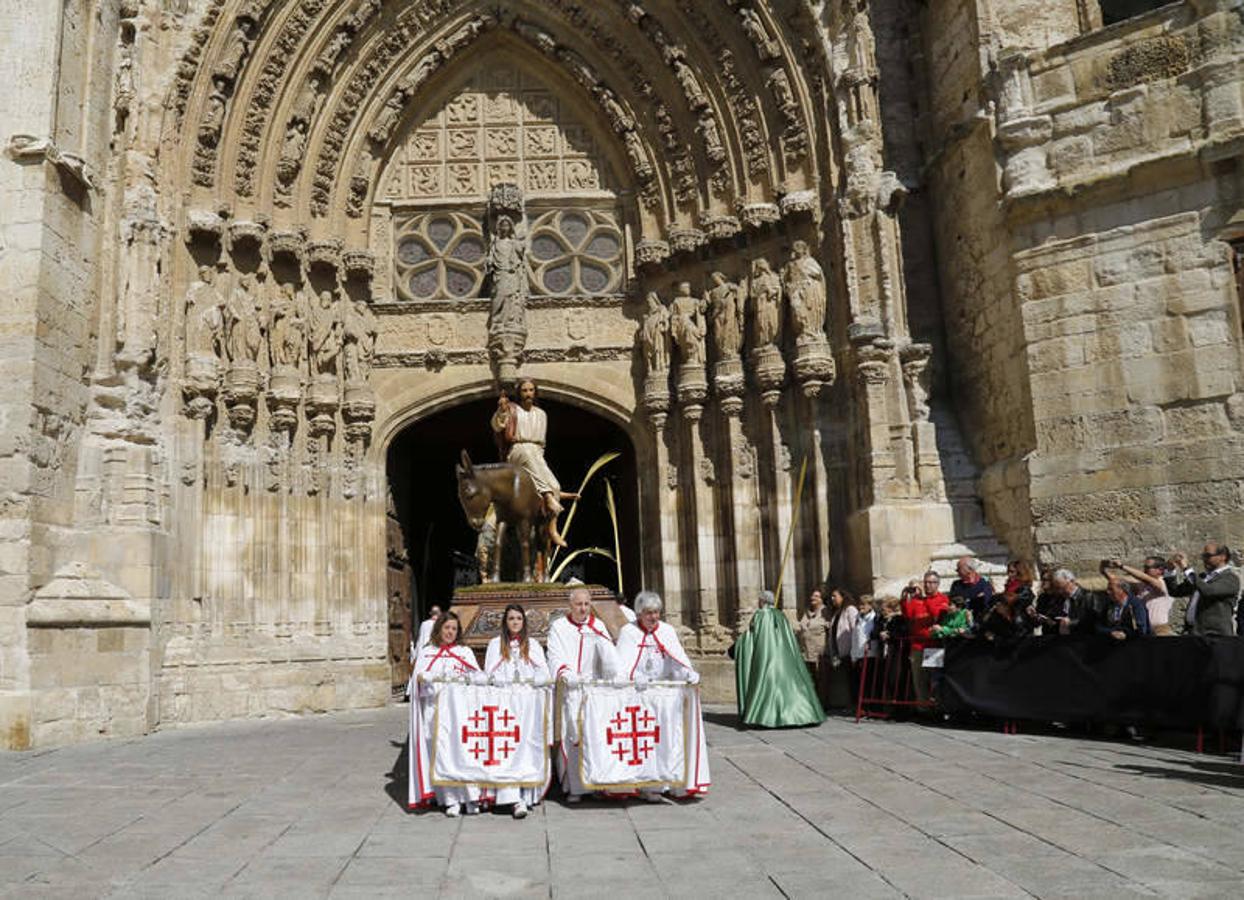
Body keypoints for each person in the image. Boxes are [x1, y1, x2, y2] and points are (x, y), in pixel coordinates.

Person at [615, 591, 709, 800]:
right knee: (648, 743)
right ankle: (650, 785)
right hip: (640, 697)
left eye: (657, 612)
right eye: (649, 613)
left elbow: (677, 660)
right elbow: (621, 667)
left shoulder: (667, 631)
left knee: (671, 740)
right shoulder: (628, 632)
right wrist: (635, 676)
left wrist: (687, 673)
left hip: (666, 696)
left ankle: (674, 780)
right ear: (639, 613)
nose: (654, 617)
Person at [546, 587, 618, 801]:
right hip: (571, 691)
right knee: (572, 738)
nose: (583, 609)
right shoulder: (559, 627)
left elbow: (611, 660)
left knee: (594, 739)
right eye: (579, 604)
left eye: (586, 604)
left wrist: (606, 655)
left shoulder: (598, 626)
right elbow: (555, 655)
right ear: (571, 605)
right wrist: (566, 673)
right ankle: (574, 787)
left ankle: (595, 783)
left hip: (593, 693)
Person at [409, 612, 484, 817]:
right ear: (439, 629)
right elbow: (418, 684)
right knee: (443, 754)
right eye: (447, 628)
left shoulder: (465, 652)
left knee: (464, 753)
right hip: (436, 712)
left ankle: (471, 797)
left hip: (460, 712)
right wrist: (429, 680)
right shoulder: (427, 652)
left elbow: (477, 678)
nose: (450, 632)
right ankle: (450, 800)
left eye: (454, 629)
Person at [490, 378, 579, 548]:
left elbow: (542, 443)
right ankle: (547, 495)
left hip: (536, 452)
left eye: (531, 390)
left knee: (555, 484)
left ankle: (552, 529)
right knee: (527, 454)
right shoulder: (511, 409)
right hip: (517, 450)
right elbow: (497, 425)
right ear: (519, 393)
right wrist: (501, 411)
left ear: (535, 392)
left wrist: (540, 458)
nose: (528, 393)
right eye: (524, 390)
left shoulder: (541, 414)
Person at [483, 604, 551, 818]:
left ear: (524, 622)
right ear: (505, 622)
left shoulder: (532, 645)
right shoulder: (496, 644)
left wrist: (535, 679)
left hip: (528, 706)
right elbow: (489, 675)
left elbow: (544, 673)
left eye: (518, 619)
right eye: (511, 618)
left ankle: (527, 795)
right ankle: (512, 798)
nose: (514, 622)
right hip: (505, 707)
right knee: (507, 750)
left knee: (527, 750)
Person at [733, 591, 826, 727]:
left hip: (767, 658)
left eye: (760, 600)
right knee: (791, 686)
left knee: (768, 685)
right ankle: (802, 715)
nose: (759, 602)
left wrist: (740, 642)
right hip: (785, 658)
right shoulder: (781, 615)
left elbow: (753, 635)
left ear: (763, 601)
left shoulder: (760, 615)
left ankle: (767, 717)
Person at [1168, 542, 1240, 637]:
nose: (1204, 560)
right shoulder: (1202, 577)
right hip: (1193, 633)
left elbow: (1208, 591)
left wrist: (1186, 569)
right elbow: (1176, 591)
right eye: (1203, 556)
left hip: (1215, 635)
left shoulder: (1230, 578)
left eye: (1208, 556)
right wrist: (1170, 571)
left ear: (1222, 557)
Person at [901, 572, 948, 704]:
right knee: (919, 679)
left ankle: (937, 708)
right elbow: (908, 614)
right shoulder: (917, 600)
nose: (927, 585)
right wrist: (905, 597)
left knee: (934, 679)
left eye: (931, 582)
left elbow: (936, 615)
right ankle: (923, 709)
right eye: (925, 582)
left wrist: (926, 600)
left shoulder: (942, 599)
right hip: (917, 645)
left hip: (934, 645)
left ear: (937, 584)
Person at [1102, 557, 1173, 636]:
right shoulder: (1141, 585)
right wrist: (1103, 568)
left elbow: (1144, 578)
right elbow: (1115, 581)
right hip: (1143, 629)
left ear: (1160, 570)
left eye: (1147, 567)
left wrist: (1121, 566)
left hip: (1160, 629)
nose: (1144, 570)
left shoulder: (1163, 583)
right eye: (1144, 567)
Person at [824, 588, 859, 710]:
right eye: (831, 596)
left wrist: (854, 650)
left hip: (850, 651)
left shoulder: (850, 610)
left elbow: (856, 629)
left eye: (835, 596)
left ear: (843, 597)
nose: (832, 599)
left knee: (852, 679)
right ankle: (847, 703)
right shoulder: (837, 612)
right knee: (845, 679)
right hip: (840, 652)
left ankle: (855, 704)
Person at [796, 589, 829, 702]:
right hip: (805, 651)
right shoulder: (806, 612)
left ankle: (822, 702)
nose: (813, 598)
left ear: (821, 599)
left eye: (816, 596)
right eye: (812, 595)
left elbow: (830, 629)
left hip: (819, 651)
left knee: (821, 678)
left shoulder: (826, 612)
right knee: (808, 678)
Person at [1046, 569, 1101, 635]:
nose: (1060, 591)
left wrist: (1071, 623)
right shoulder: (1060, 598)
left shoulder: (1089, 597)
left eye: (1062, 588)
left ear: (1072, 582)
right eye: (1057, 588)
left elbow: (1094, 621)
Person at [949, 557, 993, 628]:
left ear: (969, 569)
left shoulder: (984, 584)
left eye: (959, 569)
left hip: (979, 624)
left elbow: (986, 603)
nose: (957, 571)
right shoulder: (956, 585)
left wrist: (966, 603)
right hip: (959, 625)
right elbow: (952, 604)